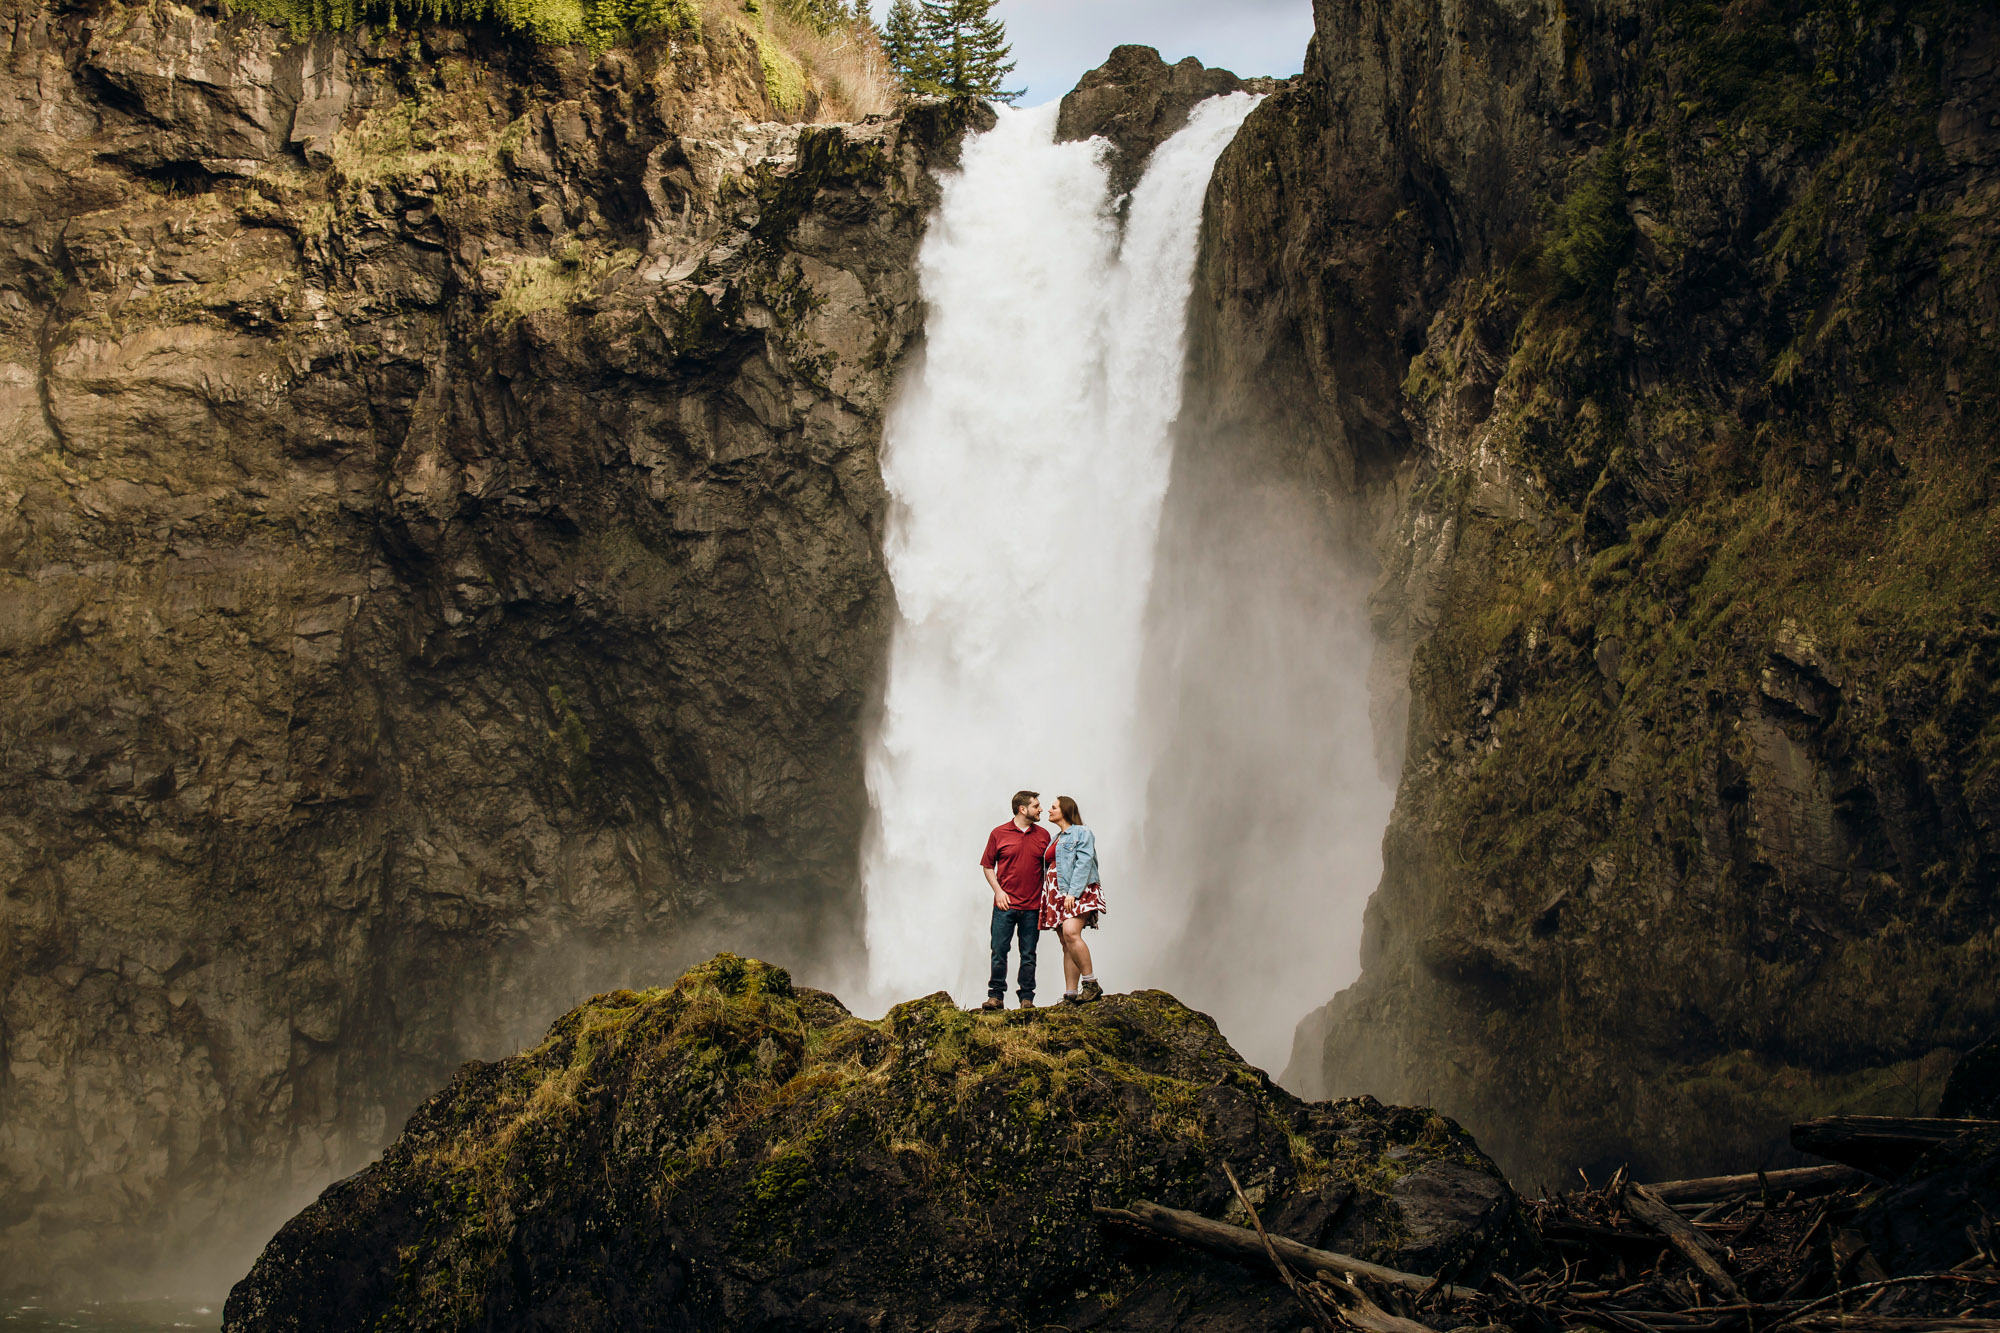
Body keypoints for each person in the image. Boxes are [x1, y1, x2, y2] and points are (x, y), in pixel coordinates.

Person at [979, 790, 1051, 1011]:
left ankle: (1026, 998)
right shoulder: (998, 833)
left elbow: (1050, 869)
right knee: (999, 951)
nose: (1041, 809)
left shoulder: (1044, 836)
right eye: (1036, 806)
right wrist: (998, 892)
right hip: (1005, 906)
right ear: (1023, 809)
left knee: (1028, 954)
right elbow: (987, 866)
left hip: (1032, 906)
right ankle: (995, 996)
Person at [1040, 795, 1106, 1004]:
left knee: (1071, 933)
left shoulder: (1081, 832)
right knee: (1065, 942)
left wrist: (1073, 893)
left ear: (1065, 810)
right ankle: (1070, 994)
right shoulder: (1055, 837)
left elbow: (1084, 862)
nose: (1048, 811)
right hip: (1057, 894)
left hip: (1076, 891)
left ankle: (1091, 983)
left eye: (1053, 807)